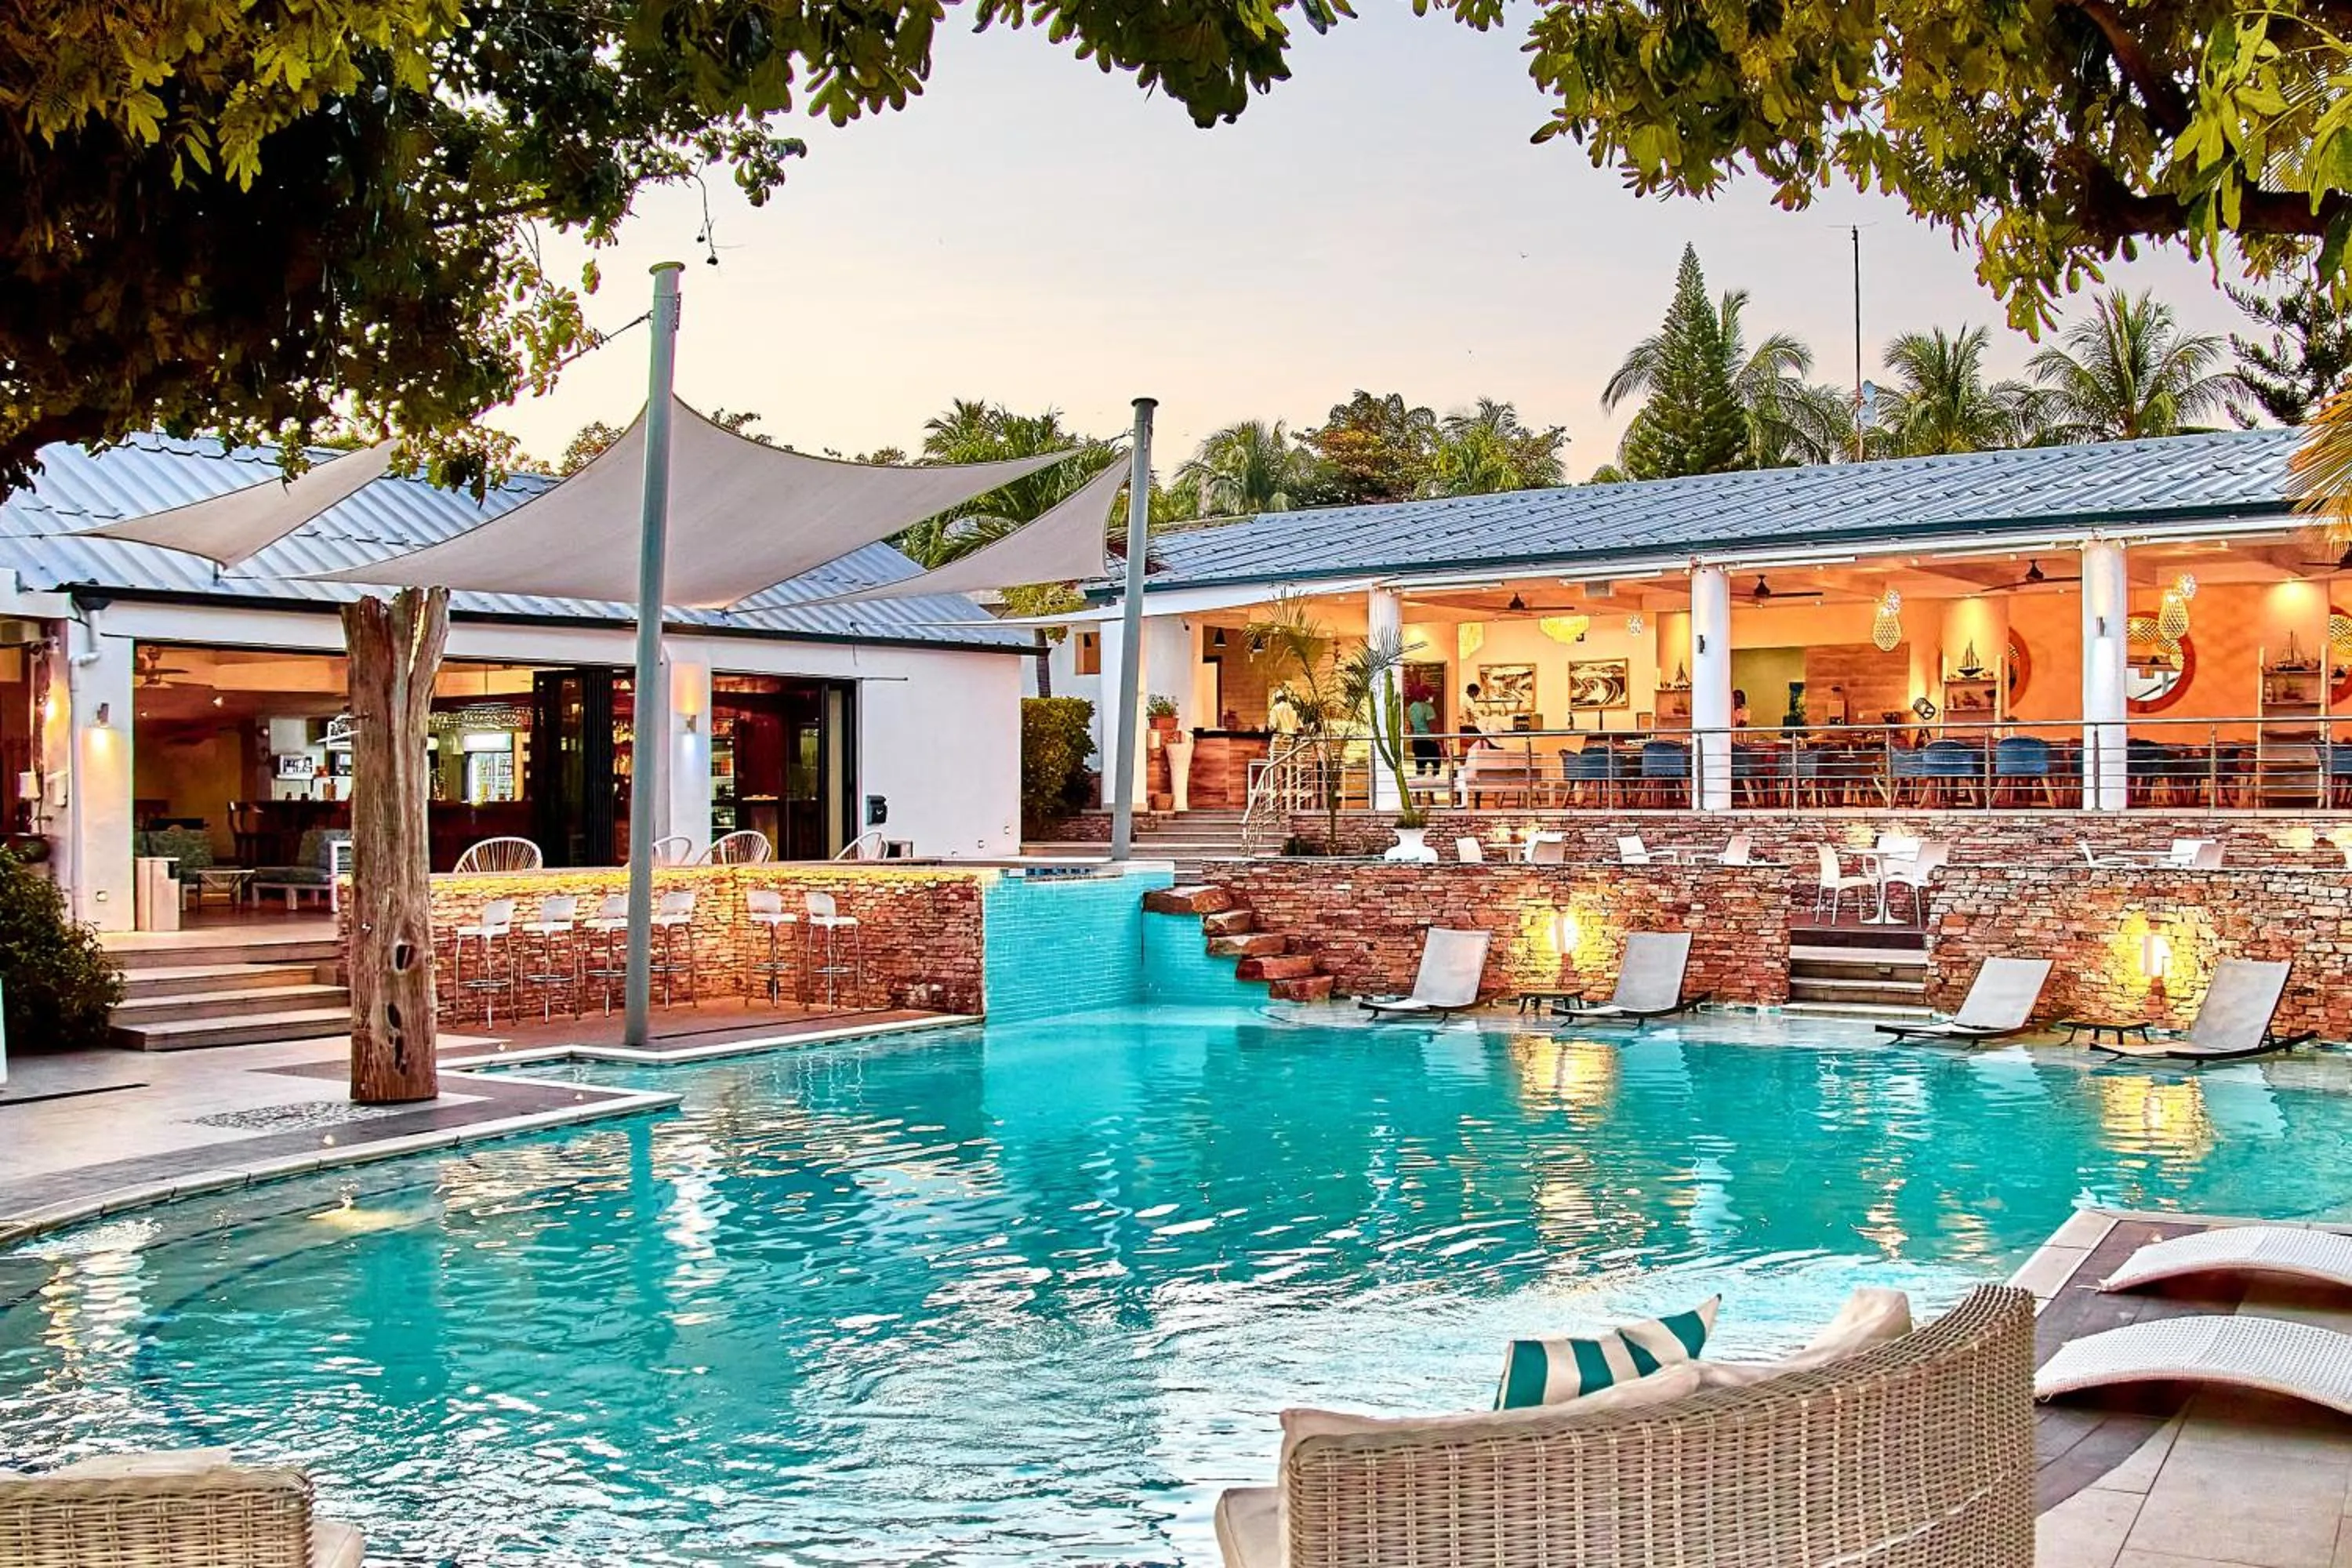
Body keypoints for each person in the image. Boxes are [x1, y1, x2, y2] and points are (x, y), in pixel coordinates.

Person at [1405, 687, 1440, 775]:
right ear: (1425, 695)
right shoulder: (1428, 708)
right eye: (1430, 695)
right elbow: (1432, 724)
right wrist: (1436, 738)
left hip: (1417, 739)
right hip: (1428, 739)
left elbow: (1410, 723)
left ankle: (1420, 783)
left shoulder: (1412, 707)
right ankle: (1434, 781)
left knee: (1420, 765)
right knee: (1436, 763)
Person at [1457, 683, 1494, 755]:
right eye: (1476, 693)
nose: (1476, 696)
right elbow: (1475, 711)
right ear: (1473, 692)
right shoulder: (1468, 699)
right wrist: (1483, 720)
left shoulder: (1461, 696)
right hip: (1460, 723)